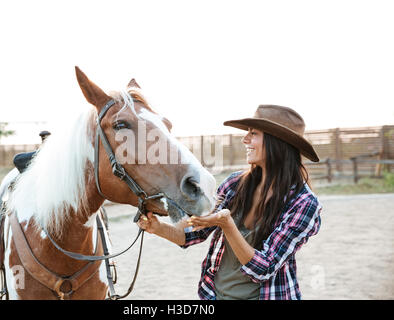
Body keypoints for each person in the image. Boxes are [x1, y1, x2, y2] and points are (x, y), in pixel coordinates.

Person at [138, 105, 322, 300]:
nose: (245, 139)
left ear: (277, 141)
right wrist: (158, 228)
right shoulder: (235, 184)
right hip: (214, 296)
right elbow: (194, 232)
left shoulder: (304, 204)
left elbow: (263, 268)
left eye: (253, 133)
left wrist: (227, 224)